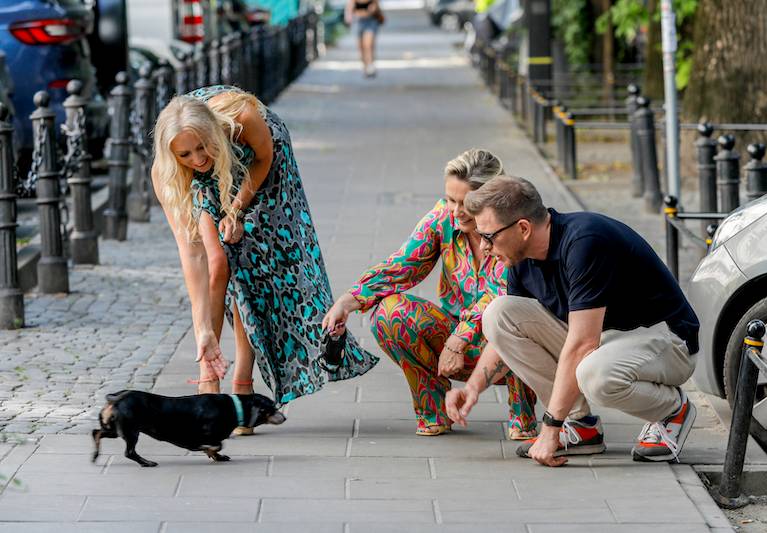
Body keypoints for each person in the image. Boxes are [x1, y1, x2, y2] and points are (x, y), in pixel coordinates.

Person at [151, 85, 379, 431]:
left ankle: (242, 380)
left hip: (259, 160)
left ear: (214, 132)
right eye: (185, 154)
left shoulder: (242, 119)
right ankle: (208, 382)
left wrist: (238, 207)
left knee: (253, 263)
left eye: (202, 147)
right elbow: (197, 260)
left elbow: (264, 157)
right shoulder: (167, 174)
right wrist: (203, 332)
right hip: (216, 168)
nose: (197, 159)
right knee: (220, 260)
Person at [445, 175, 700, 465]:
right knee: (499, 314)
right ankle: (582, 426)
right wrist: (472, 389)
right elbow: (508, 338)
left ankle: (671, 410)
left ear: (524, 228)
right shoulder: (520, 257)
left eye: (488, 237)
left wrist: (550, 428)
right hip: (604, 340)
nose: (484, 247)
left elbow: (582, 344)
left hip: (666, 341)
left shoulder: (585, 241)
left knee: (594, 373)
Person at [323, 150, 538, 438]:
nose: (456, 210)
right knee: (391, 313)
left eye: (467, 203)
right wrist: (346, 303)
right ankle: (433, 409)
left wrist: (457, 342)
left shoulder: (513, 228)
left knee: (512, 319)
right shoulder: (443, 218)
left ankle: (523, 416)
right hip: (453, 339)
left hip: (509, 344)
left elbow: (498, 295)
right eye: (451, 199)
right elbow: (403, 265)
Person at [345, 0, 382, 78]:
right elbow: (350, 6)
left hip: (370, 21)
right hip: (358, 22)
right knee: (361, 47)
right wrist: (349, 16)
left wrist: (370, 10)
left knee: (368, 45)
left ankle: (370, 65)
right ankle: (365, 67)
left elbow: (375, 7)